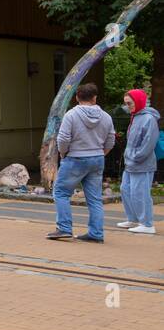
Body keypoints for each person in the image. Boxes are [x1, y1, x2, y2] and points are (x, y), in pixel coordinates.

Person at [49, 83, 116, 242]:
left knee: (61, 192)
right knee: (94, 198)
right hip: (97, 159)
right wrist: (102, 153)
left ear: (77, 97)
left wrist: (63, 153)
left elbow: (63, 138)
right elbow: (111, 139)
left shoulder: (71, 115)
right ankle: (96, 233)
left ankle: (64, 228)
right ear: (94, 98)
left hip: (75, 158)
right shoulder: (106, 116)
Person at [118, 88, 159, 235]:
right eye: (126, 104)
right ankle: (133, 219)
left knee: (140, 193)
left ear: (138, 101)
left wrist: (135, 157)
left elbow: (149, 142)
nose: (128, 107)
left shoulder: (148, 118)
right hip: (132, 162)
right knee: (125, 189)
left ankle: (147, 224)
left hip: (141, 163)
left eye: (130, 103)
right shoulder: (136, 116)